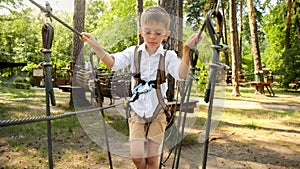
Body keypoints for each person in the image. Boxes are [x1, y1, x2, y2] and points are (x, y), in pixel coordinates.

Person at [80, 6, 201, 169]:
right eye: (148, 31)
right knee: (137, 157)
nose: (152, 36)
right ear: (141, 31)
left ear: (166, 34)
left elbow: (181, 74)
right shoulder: (133, 52)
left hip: (158, 113)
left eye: (158, 33)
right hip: (136, 112)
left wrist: (186, 51)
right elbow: (112, 62)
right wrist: (96, 46)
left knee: (152, 159)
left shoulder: (168, 56)